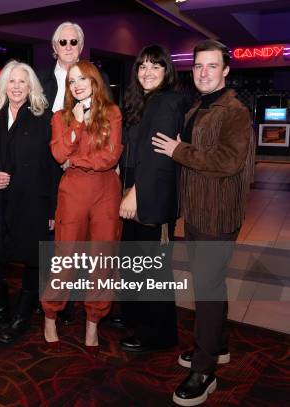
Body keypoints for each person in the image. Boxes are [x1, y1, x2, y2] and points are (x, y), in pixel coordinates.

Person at [152, 39, 255, 406]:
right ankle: (218, 345)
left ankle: (204, 369)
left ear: (226, 70)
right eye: (198, 67)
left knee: (207, 290)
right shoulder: (199, 106)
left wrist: (178, 150)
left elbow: (228, 161)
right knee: (211, 283)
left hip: (217, 215)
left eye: (212, 66)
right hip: (196, 212)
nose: (204, 73)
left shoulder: (235, 111)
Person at [0, 60, 60, 344]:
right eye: (11, 81)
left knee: (34, 259)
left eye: (23, 81)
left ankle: (22, 315)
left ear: (31, 85)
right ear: (3, 86)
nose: (17, 86)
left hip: (32, 202)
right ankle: (0, 310)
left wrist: (53, 207)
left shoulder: (44, 118)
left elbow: (53, 167)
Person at [41, 60, 123, 350]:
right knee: (66, 258)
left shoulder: (112, 113)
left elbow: (109, 158)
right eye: (71, 81)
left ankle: (93, 322)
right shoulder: (60, 117)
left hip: (106, 193)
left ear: (94, 81)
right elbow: (57, 153)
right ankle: (50, 314)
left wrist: (74, 161)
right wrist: (75, 123)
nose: (76, 85)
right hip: (73, 193)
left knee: (102, 260)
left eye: (82, 79)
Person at [117, 45, 189, 353]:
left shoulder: (166, 102)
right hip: (136, 187)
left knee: (152, 268)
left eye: (155, 67)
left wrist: (135, 192)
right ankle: (136, 317)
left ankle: (157, 334)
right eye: (143, 66)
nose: (147, 72)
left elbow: (157, 157)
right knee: (133, 261)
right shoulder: (143, 102)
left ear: (166, 72)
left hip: (151, 195)